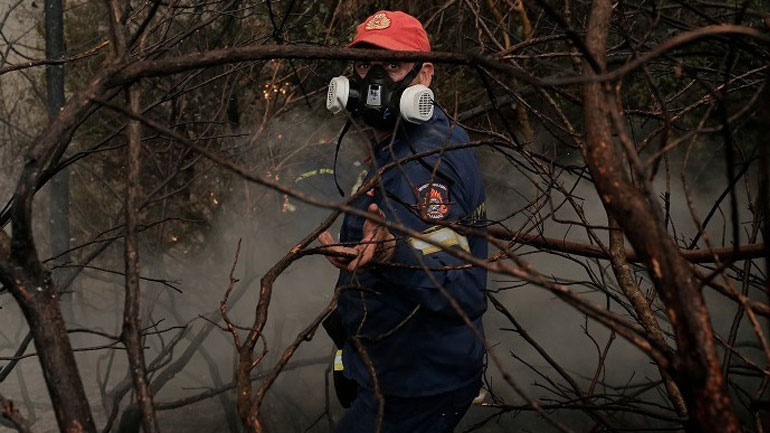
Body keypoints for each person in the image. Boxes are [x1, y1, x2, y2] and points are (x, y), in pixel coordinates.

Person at [318, 10, 488, 433]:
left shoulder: (423, 167)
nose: (373, 84)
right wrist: (350, 352)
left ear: (424, 76)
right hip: (395, 369)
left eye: (392, 66)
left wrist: (395, 252)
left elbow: (464, 290)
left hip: (416, 386)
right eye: (363, 66)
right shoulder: (410, 142)